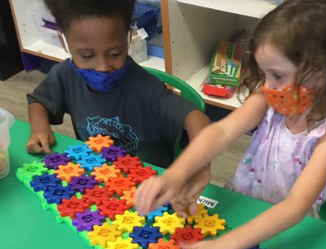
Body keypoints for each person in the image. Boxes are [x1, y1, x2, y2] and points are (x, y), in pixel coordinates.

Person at [135, 0, 326, 249]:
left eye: (277, 75)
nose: (267, 85)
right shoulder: (270, 99)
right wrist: (175, 175)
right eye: (265, 74)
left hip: (285, 231)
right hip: (241, 207)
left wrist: (223, 247)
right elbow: (219, 132)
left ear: (322, 74)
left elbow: (295, 207)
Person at [25, 0, 210, 170]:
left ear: (129, 39)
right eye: (87, 56)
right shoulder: (65, 74)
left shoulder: (147, 88)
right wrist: (40, 128)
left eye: (114, 53)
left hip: (147, 183)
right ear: (63, 41)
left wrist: (197, 168)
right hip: (96, 171)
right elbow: (38, 101)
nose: (103, 67)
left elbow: (197, 120)